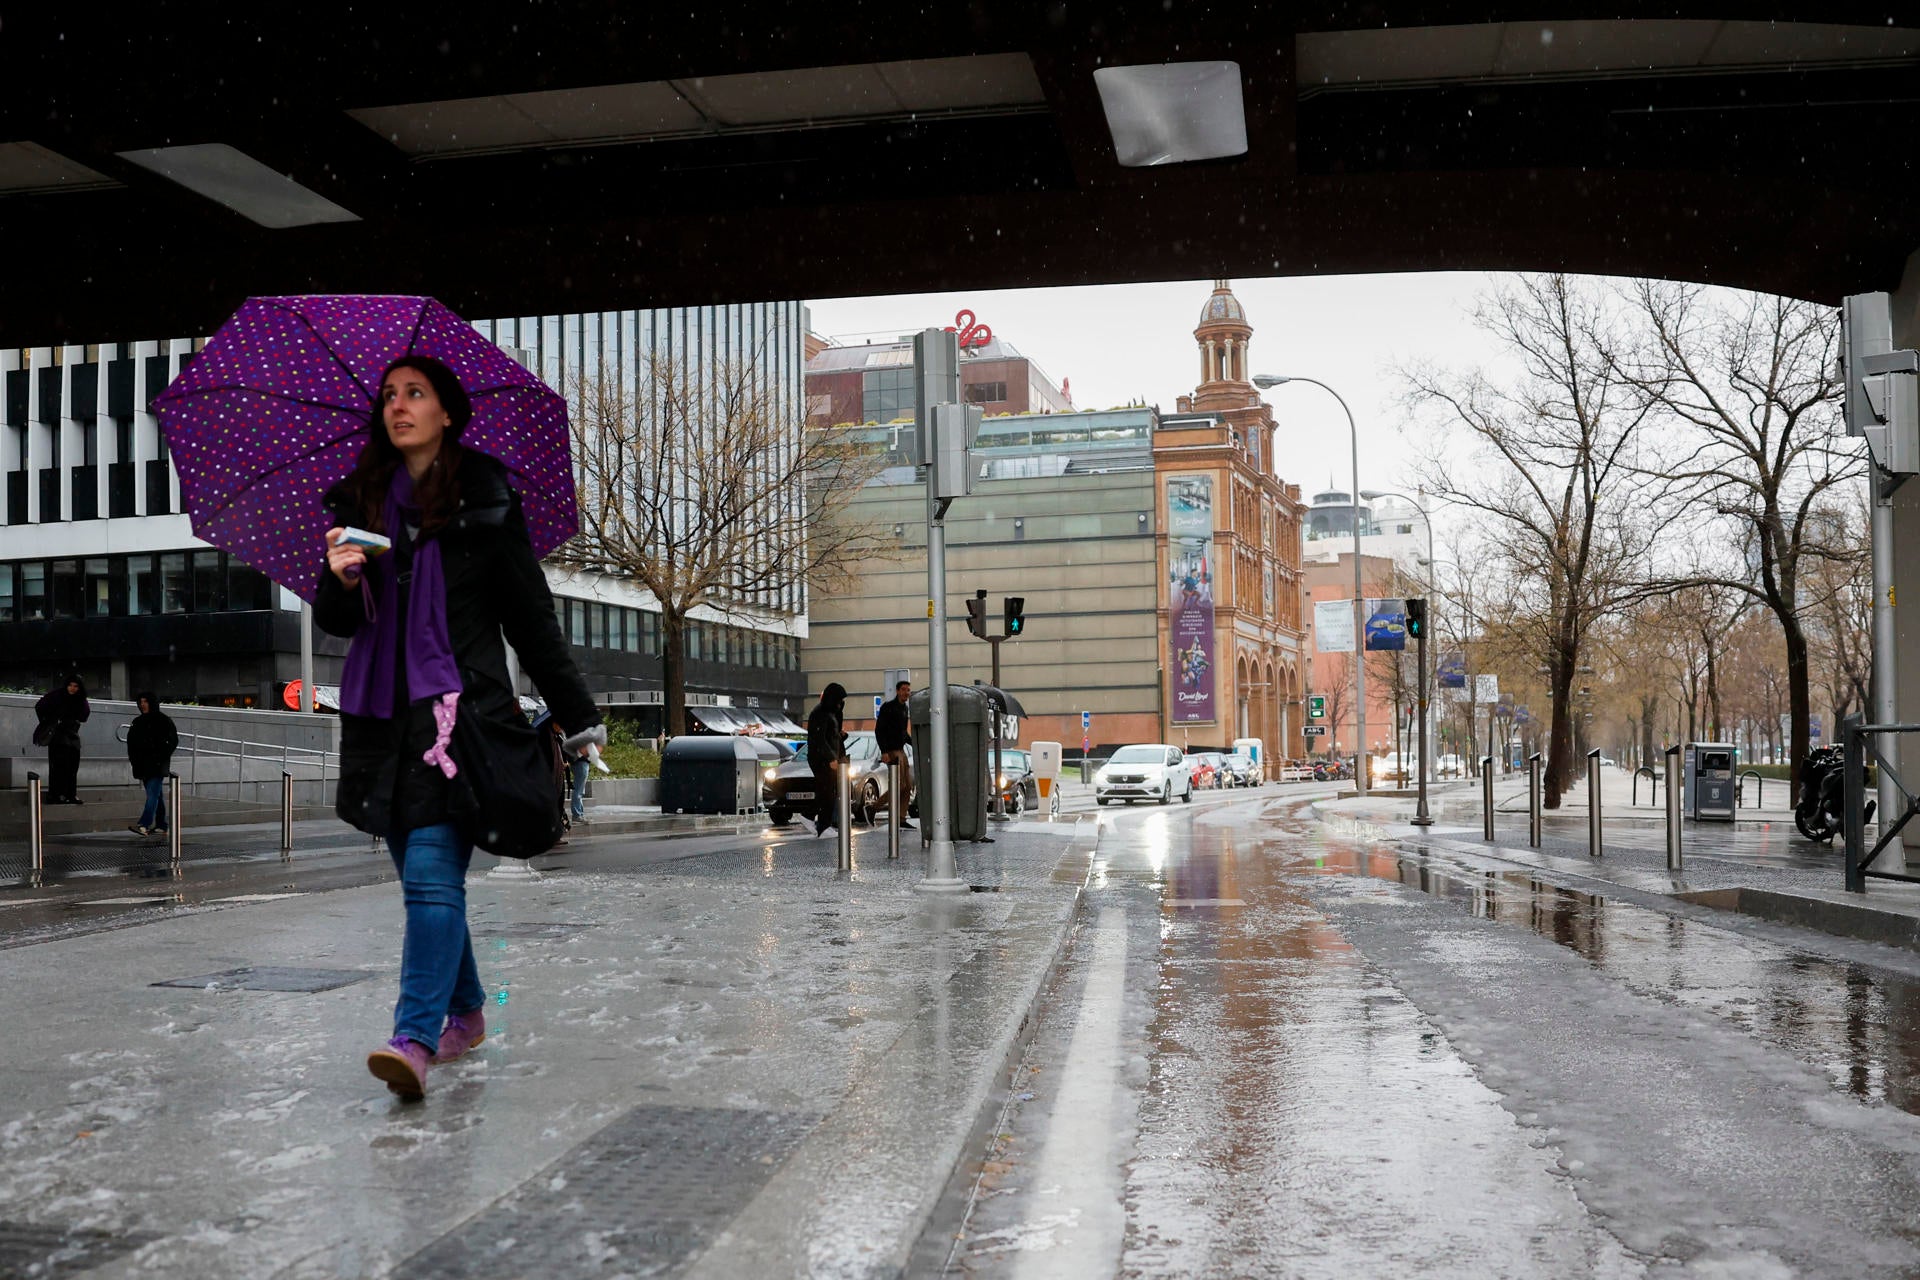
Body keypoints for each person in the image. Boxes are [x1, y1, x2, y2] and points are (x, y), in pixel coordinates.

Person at [315, 355, 603, 1103]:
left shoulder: (486, 504)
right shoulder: (363, 506)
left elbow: (530, 620)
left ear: (448, 411)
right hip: (383, 719)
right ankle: (467, 1013)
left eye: (415, 394)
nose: (398, 406)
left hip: (459, 717)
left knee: (434, 878)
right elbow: (340, 622)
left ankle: (412, 1038)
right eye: (388, 396)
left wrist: (579, 716)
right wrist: (339, 578)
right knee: (422, 877)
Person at [125, 692, 178, 836]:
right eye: (141, 701)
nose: (142, 705)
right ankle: (161, 824)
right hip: (144, 764)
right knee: (156, 795)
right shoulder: (138, 722)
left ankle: (144, 823)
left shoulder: (163, 721)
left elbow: (172, 741)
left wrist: (160, 755)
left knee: (152, 794)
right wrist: (135, 760)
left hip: (156, 764)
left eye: (145, 701)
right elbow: (132, 744)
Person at [34, 674, 90, 804]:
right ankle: (57, 794)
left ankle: (70, 794)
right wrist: (49, 721)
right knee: (59, 765)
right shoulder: (57, 695)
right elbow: (40, 706)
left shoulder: (79, 699)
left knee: (72, 765)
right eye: (70, 685)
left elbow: (84, 715)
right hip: (58, 734)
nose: (72, 689)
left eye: (76, 686)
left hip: (72, 733)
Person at [803, 682, 848, 838]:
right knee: (826, 791)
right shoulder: (821, 713)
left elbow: (828, 736)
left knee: (828, 790)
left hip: (826, 757)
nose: (841, 703)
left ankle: (819, 821)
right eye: (839, 700)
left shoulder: (830, 712)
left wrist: (839, 735)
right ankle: (820, 823)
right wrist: (830, 758)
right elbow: (819, 740)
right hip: (821, 759)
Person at [873, 679, 914, 830]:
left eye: (908, 690)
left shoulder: (905, 709)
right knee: (899, 785)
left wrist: (915, 743)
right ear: (897, 691)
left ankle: (901, 818)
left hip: (901, 750)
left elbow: (903, 733)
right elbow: (879, 730)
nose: (906, 693)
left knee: (907, 786)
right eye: (903, 690)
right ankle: (873, 807)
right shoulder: (888, 707)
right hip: (891, 751)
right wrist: (884, 751)